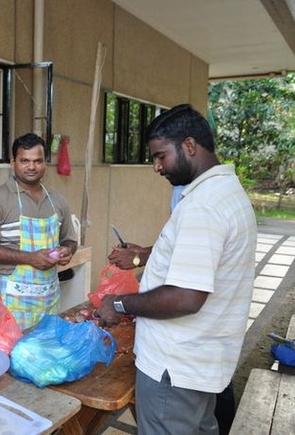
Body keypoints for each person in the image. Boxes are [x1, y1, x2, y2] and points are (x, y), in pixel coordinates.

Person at [96, 104, 256, 434]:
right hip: (200, 361)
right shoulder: (225, 192)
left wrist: (120, 303)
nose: (156, 167)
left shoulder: (203, 206)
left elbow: (185, 297)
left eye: (160, 156)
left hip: (176, 369)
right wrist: (144, 255)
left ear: (189, 146)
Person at [0, 133, 78, 330]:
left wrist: (67, 251)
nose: (31, 167)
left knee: (45, 354)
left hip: (49, 297)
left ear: (45, 162)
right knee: (12, 354)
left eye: (38, 161)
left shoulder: (58, 200)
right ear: (13, 162)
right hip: (13, 300)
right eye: (24, 161)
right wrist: (30, 258)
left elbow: (70, 240)